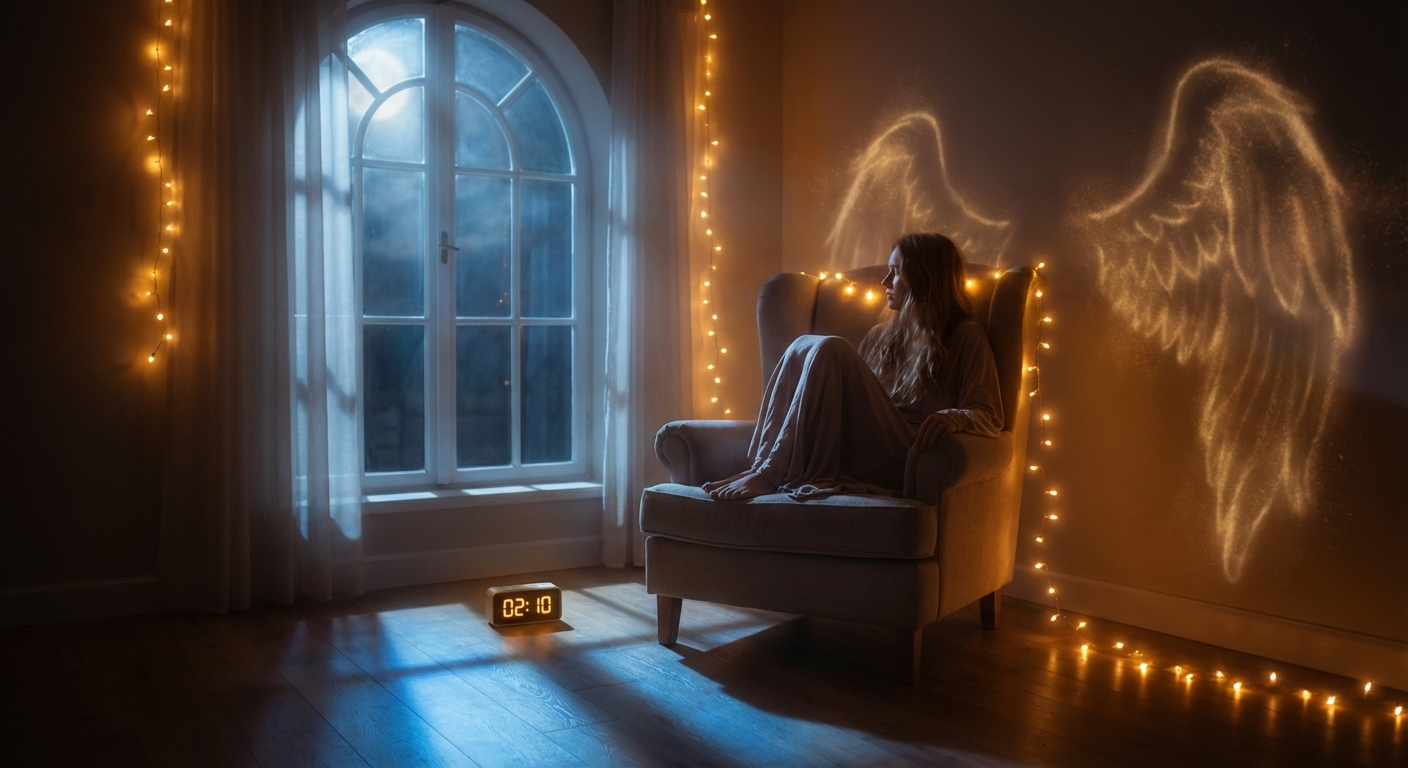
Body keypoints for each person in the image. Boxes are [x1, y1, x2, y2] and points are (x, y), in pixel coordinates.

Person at [703, 232, 1004, 501]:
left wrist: (956, 417)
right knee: (803, 344)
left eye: (896, 272)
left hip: (904, 451)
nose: (885, 282)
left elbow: (989, 413)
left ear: (924, 278)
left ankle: (770, 474)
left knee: (830, 347)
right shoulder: (879, 336)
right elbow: (849, 403)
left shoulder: (966, 336)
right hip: (862, 444)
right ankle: (765, 467)